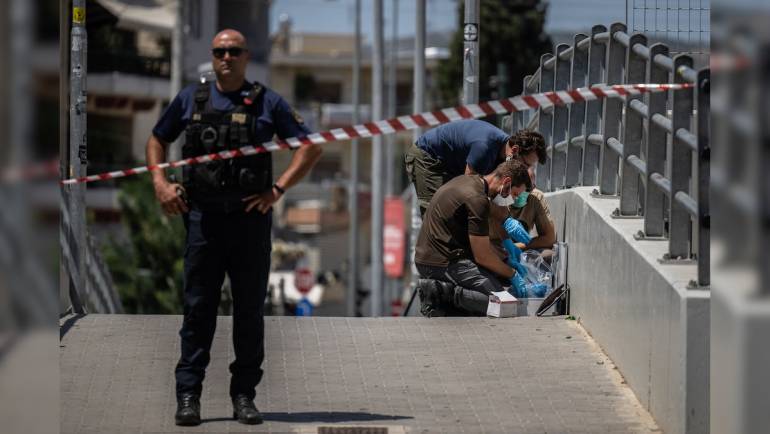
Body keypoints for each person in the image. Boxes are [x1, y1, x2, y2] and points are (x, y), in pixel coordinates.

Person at [146, 29, 322, 426]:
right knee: (197, 312)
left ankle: (244, 396)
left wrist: (277, 190)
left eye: (234, 51)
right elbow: (157, 140)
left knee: (248, 314)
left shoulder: (266, 102)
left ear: (246, 57)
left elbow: (311, 146)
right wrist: (160, 184)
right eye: (220, 51)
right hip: (202, 220)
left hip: (249, 223)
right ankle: (188, 395)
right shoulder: (191, 98)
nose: (226, 57)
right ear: (213, 56)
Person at [414, 159, 532, 317]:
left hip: (441, 255)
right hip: (440, 262)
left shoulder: (470, 181)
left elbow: (480, 242)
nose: (514, 200)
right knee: (504, 304)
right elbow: (482, 256)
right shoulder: (477, 199)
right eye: (515, 194)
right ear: (507, 182)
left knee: (498, 281)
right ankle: (442, 292)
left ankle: (453, 301)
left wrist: (505, 262)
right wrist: (512, 274)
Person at [405, 120, 546, 216]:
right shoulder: (485, 148)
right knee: (438, 212)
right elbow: (469, 190)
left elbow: (491, 194)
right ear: (515, 150)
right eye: (526, 164)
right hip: (428, 157)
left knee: (458, 211)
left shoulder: (503, 154)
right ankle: (435, 257)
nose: (525, 169)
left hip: (451, 164)